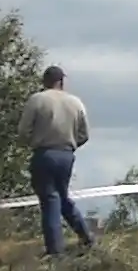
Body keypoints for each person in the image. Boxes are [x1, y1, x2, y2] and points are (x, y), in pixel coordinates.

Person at [19, 64, 96, 258]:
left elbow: (23, 130)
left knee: (50, 200)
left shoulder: (37, 100)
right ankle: (86, 237)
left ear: (44, 81)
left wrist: (33, 143)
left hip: (44, 153)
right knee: (62, 197)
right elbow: (84, 134)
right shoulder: (76, 102)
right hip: (66, 154)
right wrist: (70, 146)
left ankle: (56, 252)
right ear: (61, 81)